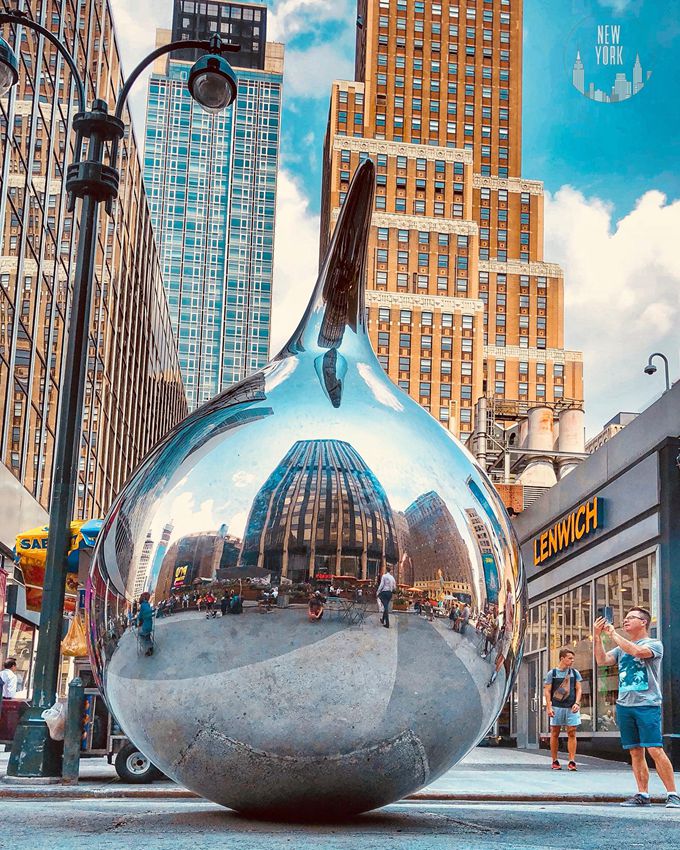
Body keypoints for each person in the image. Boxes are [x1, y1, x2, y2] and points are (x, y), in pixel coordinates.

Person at [594, 608, 680, 808]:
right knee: (635, 751)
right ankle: (643, 794)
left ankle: (673, 794)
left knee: (654, 748)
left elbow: (637, 652)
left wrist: (613, 634)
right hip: (625, 705)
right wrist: (597, 637)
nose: (625, 621)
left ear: (643, 622)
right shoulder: (620, 647)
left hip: (647, 704)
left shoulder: (654, 644)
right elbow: (602, 661)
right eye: (624, 618)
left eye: (630, 618)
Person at [544, 648, 582, 771]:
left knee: (572, 731)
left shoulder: (575, 673)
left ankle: (572, 761)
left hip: (571, 707)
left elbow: (579, 689)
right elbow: (547, 691)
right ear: (562, 658)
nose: (572, 660)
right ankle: (554, 760)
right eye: (570, 658)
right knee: (555, 732)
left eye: (573, 658)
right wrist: (549, 707)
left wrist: (577, 703)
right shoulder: (552, 673)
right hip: (557, 706)